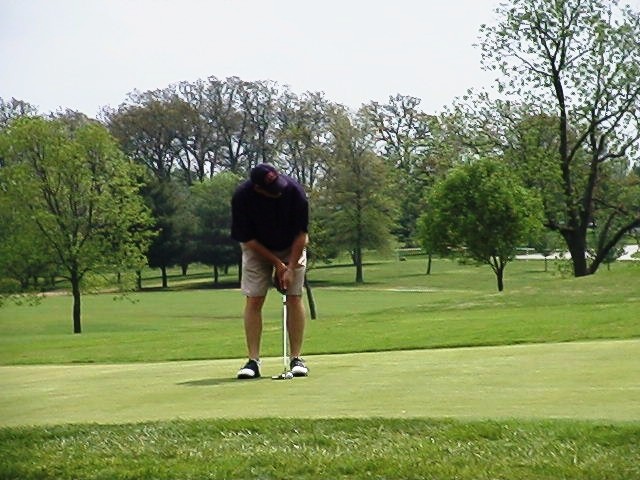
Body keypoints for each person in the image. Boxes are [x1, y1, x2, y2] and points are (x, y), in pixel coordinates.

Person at [231, 163, 310, 379]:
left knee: (294, 297)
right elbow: (247, 239)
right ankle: (253, 361)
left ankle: (296, 358)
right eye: (272, 189)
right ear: (257, 188)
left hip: (292, 246)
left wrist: (290, 267)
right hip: (257, 248)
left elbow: (302, 235)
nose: (278, 192)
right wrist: (277, 263)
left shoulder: (294, 192)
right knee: (254, 299)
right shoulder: (242, 197)